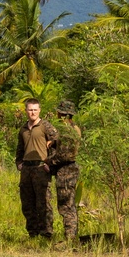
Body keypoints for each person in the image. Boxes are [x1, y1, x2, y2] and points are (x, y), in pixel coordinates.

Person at [15, 98, 58, 238]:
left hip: (41, 168)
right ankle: (33, 233)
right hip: (27, 169)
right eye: (30, 110)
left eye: (35, 109)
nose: (32, 112)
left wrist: (50, 163)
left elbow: (57, 144)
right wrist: (19, 163)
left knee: (44, 202)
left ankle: (46, 233)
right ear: (26, 111)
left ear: (39, 110)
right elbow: (20, 148)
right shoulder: (23, 129)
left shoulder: (46, 126)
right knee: (27, 202)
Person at [48, 100, 82, 243]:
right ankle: (71, 235)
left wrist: (48, 162)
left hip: (66, 170)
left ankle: (70, 237)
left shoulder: (67, 129)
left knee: (66, 205)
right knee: (69, 204)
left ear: (62, 114)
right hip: (69, 169)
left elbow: (65, 154)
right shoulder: (74, 128)